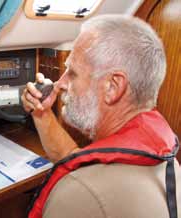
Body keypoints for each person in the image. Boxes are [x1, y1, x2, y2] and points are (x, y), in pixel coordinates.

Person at [21, 15, 181, 218]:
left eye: (72, 72)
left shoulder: (80, 194)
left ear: (113, 87)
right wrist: (42, 113)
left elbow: (85, 181)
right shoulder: (165, 159)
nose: (60, 84)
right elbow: (78, 159)